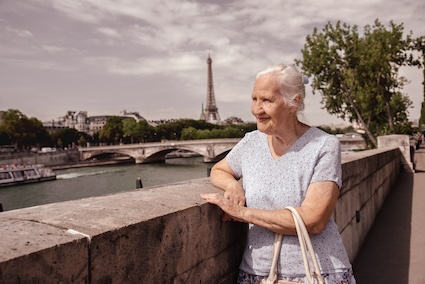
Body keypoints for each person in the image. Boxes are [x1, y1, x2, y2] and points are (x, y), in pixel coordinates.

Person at [201, 64, 356, 284]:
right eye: (254, 99)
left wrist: (242, 213)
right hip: (257, 272)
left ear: (295, 102)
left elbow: (314, 220)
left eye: (267, 100)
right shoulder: (251, 143)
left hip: (314, 273)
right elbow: (219, 169)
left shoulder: (323, 146)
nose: (256, 109)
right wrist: (232, 185)